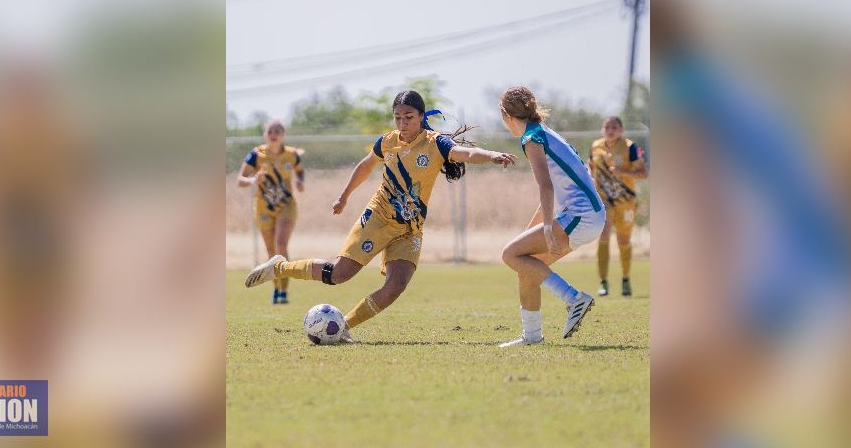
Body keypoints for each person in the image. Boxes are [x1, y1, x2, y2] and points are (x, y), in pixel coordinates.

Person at [243, 90, 516, 342]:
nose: (403, 123)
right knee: (339, 275)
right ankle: (278, 267)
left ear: (422, 117)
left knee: (396, 285)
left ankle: (343, 327)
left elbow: (465, 153)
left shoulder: (436, 144)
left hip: (410, 229)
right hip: (377, 218)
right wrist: (344, 196)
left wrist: (491, 155)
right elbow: (365, 166)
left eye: (409, 117)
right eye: (398, 117)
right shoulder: (386, 142)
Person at [496, 86, 606, 347]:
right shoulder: (542, 131)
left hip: (582, 215)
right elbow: (553, 190)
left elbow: (545, 186)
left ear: (507, 116)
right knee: (526, 264)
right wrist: (533, 229)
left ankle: (573, 298)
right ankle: (532, 337)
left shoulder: (531, 138)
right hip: (589, 215)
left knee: (510, 255)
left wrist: (546, 228)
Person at [237, 120, 304, 304]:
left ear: (283, 135)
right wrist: (253, 181)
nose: (274, 134)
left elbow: (299, 170)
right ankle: (276, 287)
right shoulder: (256, 155)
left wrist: (300, 182)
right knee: (270, 249)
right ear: (265, 134)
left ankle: (283, 291)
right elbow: (240, 179)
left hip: (286, 205)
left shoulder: (292, 155)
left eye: (277, 131)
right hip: (264, 207)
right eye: (270, 131)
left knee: (280, 245)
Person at [589, 116, 647, 297]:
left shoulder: (630, 147)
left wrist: (623, 171)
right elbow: (591, 170)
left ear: (621, 130)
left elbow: (644, 173)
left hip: (626, 201)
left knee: (623, 241)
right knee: (604, 235)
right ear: (602, 129)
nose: (610, 130)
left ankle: (625, 279)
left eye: (614, 127)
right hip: (604, 200)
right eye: (607, 126)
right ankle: (603, 282)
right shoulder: (595, 147)